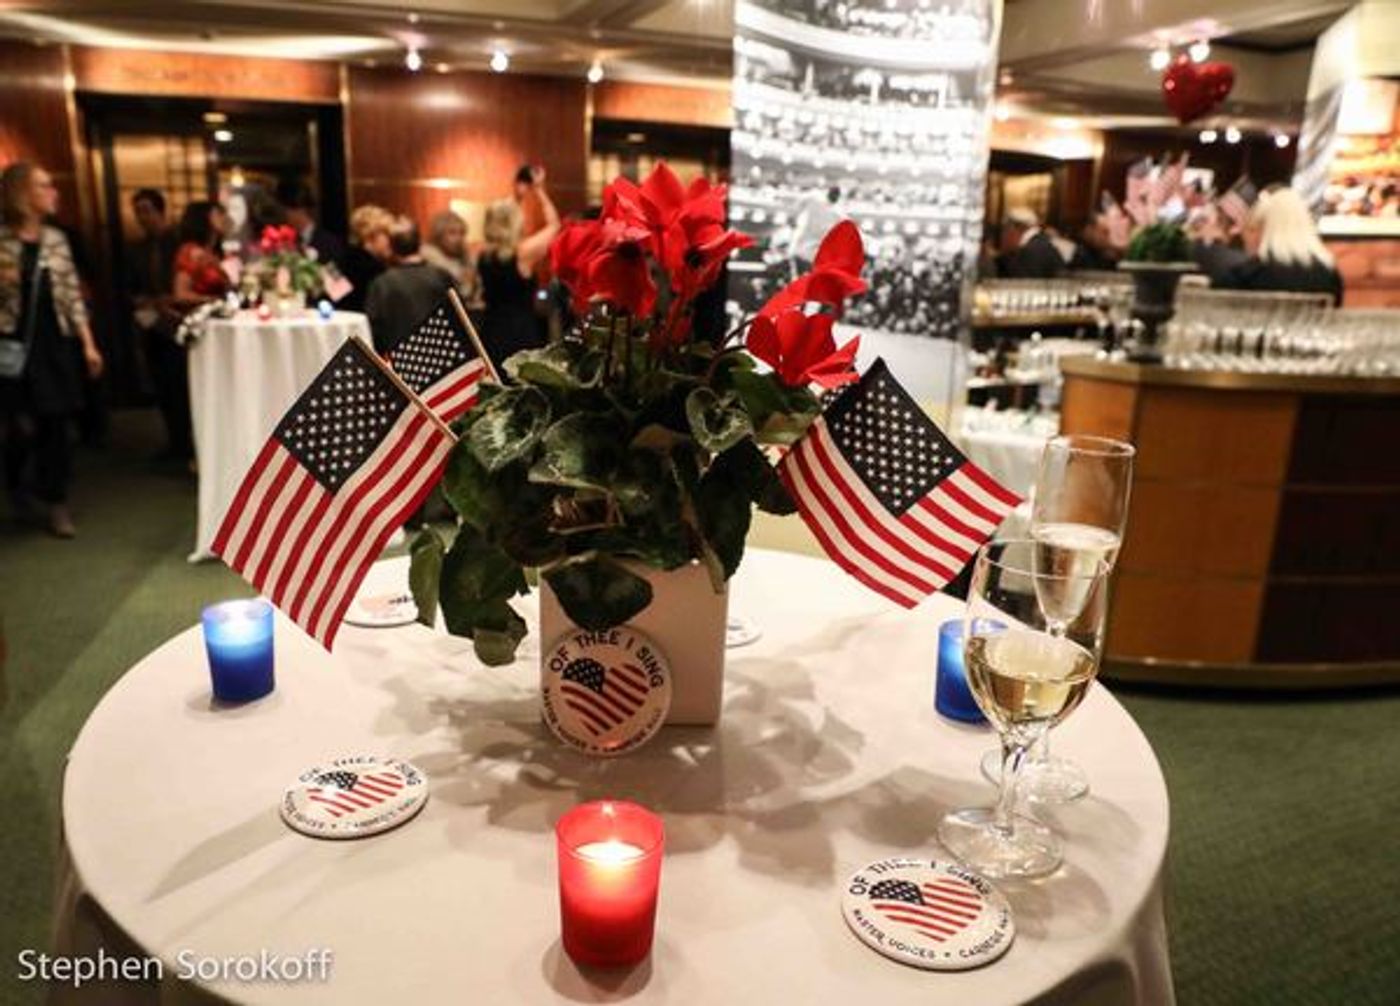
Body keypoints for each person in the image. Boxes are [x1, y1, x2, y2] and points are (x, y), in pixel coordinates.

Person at [0, 163, 104, 538]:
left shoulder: (57, 240)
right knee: (20, 427)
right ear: (22, 193)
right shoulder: (3, 242)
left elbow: (73, 296)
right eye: (44, 185)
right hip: (11, 345)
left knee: (57, 425)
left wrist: (88, 343)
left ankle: (57, 503)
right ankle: (17, 486)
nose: (53, 192)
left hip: (53, 343)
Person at [126, 188, 189, 461]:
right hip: (152, 324)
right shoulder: (136, 249)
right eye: (138, 212)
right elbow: (130, 287)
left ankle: (190, 444)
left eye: (146, 210)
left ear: (161, 211)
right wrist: (143, 301)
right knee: (162, 385)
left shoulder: (179, 244)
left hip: (180, 323)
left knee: (182, 386)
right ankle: (174, 441)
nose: (142, 217)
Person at [479, 170, 560, 361]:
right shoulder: (523, 254)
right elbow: (554, 225)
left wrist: (518, 194)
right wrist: (539, 190)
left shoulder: (483, 254)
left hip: (491, 330)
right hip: (520, 332)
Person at [1221, 188, 1344, 304]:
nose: (1246, 236)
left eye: (1253, 229)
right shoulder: (1329, 274)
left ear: (1266, 228)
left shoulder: (1246, 276)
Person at [364, 216, 455, 355]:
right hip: (441, 356)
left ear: (392, 247)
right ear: (419, 242)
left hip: (400, 360)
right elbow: (459, 318)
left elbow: (373, 329)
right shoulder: (442, 276)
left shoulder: (382, 283)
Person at [276, 180, 346, 269]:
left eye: (284, 210)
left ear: (298, 209)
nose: (282, 215)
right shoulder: (285, 242)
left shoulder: (329, 244)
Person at [172, 201, 231, 304]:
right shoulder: (191, 251)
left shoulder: (212, 252)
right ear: (204, 218)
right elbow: (181, 294)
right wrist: (213, 301)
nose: (224, 218)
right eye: (218, 214)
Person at [340, 204, 395, 313]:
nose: (391, 240)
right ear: (370, 235)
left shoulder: (341, 259)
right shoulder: (377, 271)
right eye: (387, 234)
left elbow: (331, 300)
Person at [422, 209, 481, 307]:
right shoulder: (429, 260)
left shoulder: (467, 258)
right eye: (452, 233)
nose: (458, 238)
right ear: (438, 235)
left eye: (462, 233)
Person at [997, 207, 1067, 279]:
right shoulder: (1042, 242)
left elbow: (1024, 285)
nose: (1004, 235)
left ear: (1015, 228)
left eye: (1005, 229)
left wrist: (1006, 255)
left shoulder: (1031, 250)